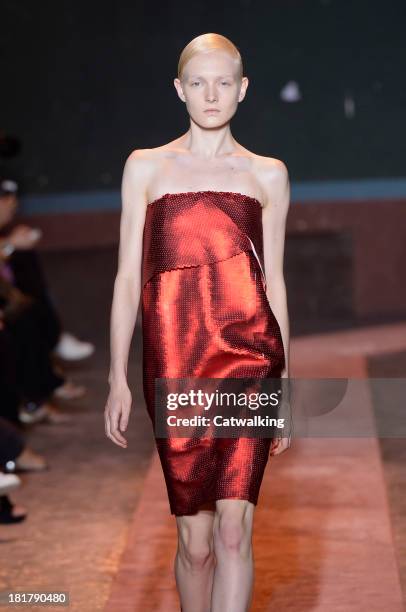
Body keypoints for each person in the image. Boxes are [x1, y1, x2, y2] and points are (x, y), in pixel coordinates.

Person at [104, 32, 291, 612]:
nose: (212, 95)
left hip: (249, 363)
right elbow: (127, 279)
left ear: (244, 90)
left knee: (235, 531)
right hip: (176, 366)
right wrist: (117, 378)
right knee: (196, 542)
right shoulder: (145, 168)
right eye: (199, 83)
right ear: (179, 90)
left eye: (224, 82)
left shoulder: (268, 175)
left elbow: (274, 282)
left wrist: (283, 390)